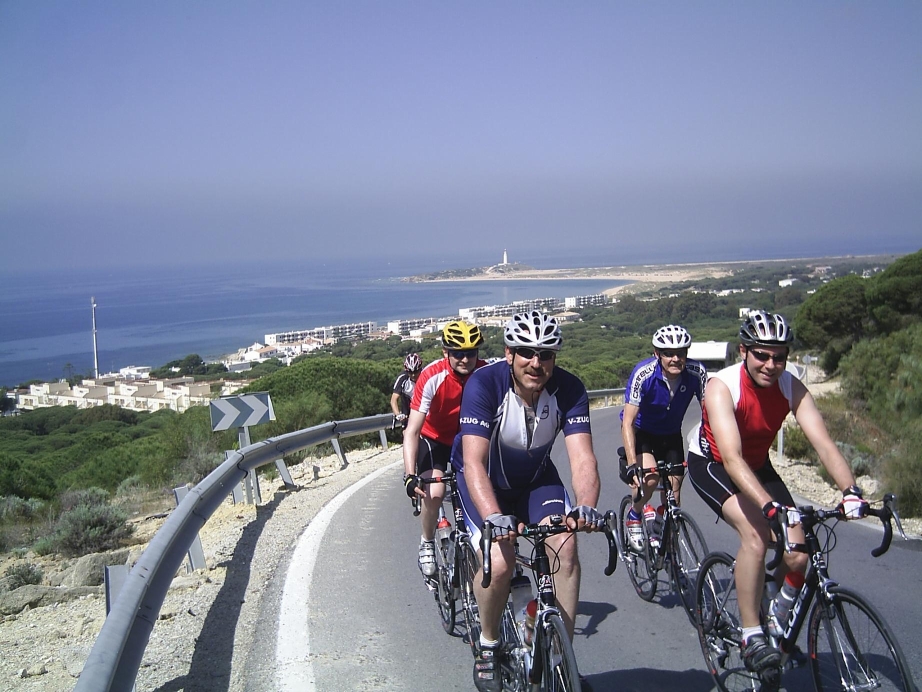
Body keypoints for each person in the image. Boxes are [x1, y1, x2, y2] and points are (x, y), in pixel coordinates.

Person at [686, 310, 867, 684]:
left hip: (757, 463)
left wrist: (850, 491)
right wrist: (770, 508)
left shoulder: (790, 386)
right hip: (714, 463)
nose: (771, 364)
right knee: (756, 535)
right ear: (744, 352)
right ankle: (753, 635)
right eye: (762, 355)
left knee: (797, 550)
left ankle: (776, 610)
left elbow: (824, 445)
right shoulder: (722, 386)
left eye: (779, 356)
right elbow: (732, 459)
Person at [450, 310, 604, 692]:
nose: (536, 362)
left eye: (546, 354)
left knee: (565, 550)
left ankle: (559, 658)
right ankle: (488, 644)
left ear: (555, 357)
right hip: (484, 481)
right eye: (526, 352)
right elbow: (473, 462)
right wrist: (494, 517)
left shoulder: (570, 389)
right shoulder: (484, 385)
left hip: (535, 481)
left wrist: (585, 506)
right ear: (508, 354)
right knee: (500, 563)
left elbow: (582, 458)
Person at [403, 321, 486, 583]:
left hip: (467, 439)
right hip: (434, 438)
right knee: (435, 492)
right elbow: (411, 431)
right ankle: (427, 540)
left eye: (471, 353)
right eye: (457, 353)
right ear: (445, 353)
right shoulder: (431, 376)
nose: (465, 359)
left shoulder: (485, 372)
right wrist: (409, 475)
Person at [621, 325, 707, 551]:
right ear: (657, 354)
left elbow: (710, 413)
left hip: (671, 433)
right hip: (643, 432)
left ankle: (660, 522)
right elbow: (628, 422)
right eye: (668, 353)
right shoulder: (644, 373)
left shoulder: (697, 372)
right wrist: (632, 465)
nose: (676, 358)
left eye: (681, 352)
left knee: (674, 498)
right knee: (649, 479)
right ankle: (635, 513)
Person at [391, 353, 422, 429]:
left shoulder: (426, 375)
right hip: (408, 416)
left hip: (424, 414)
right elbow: (393, 400)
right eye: (410, 372)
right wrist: (398, 414)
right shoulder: (402, 378)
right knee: (407, 437)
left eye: (416, 371)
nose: (413, 375)